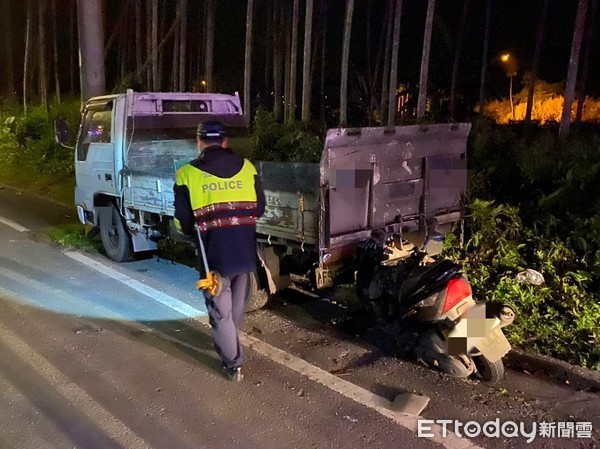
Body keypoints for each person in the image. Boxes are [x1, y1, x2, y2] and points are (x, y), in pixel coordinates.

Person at [174, 121, 265, 382]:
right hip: (245, 249)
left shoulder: (187, 174)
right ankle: (229, 342)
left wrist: (196, 231)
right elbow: (259, 208)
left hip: (213, 254)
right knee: (235, 307)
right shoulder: (247, 168)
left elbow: (183, 222)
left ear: (199, 141)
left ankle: (233, 363)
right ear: (225, 142)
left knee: (219, 312)